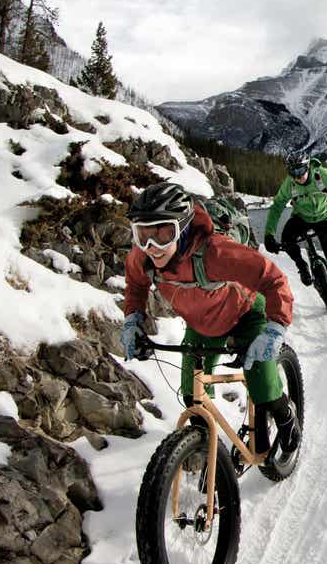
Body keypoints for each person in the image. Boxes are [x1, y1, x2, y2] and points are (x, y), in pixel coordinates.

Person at [119, 182, 299, 459]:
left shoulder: (216, 253)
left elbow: (272, 278)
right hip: (202, 325)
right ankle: (211, 458)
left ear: (183, 227)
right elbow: (135, 284)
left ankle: (285, 416)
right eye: (143, 235)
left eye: (163, 233)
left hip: (247, 314)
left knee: (263, 386)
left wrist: (275, 327)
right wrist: (133, 318)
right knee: (193, 400)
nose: (152, 247)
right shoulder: (142, 258)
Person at [263, 155, 327, 308]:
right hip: (302, 218)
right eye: (293, 172)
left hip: (324, 217)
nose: (298, 176)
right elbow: (277, 206)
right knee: (286, 239)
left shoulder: (322, 175)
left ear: (308, 166)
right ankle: (302, 265)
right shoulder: (290, 184)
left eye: (300, 170)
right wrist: (269, 234)